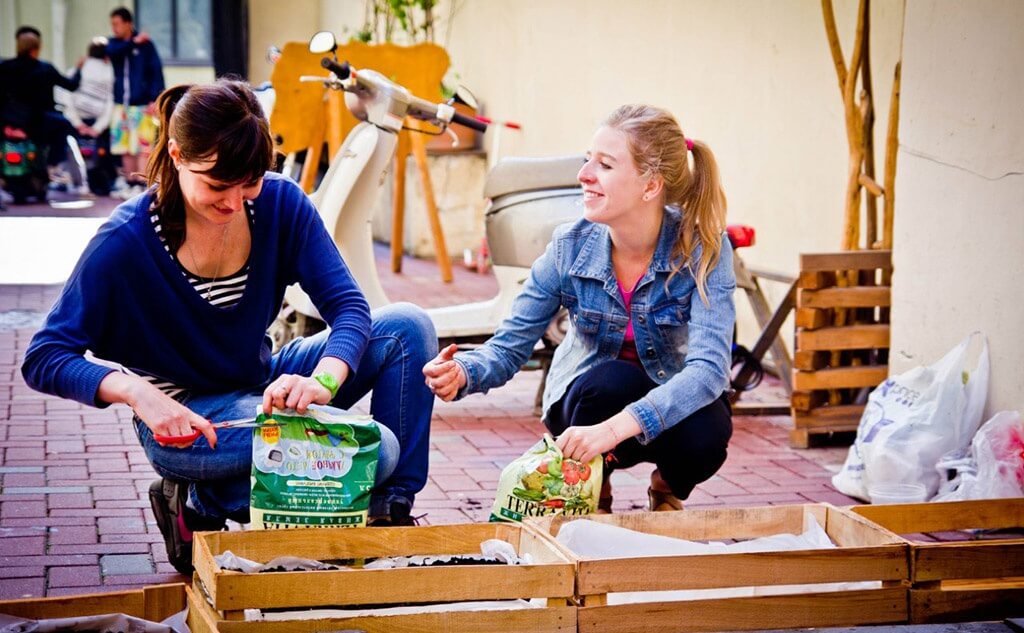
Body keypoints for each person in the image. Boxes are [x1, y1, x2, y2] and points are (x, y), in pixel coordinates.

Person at [22, 80, 436, 575]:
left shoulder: (280, 204)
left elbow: (349, 306)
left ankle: (388, 514)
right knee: (373, 450)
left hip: (258, 383)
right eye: (218, 185)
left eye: (250, 182)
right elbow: (45, 356)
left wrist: (323, 380)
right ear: (177, 155)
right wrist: (137, 393)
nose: (235, 202)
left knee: (407, 327)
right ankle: (198, 500)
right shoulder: (125, 242)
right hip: (189, 420)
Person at [423, 105, 735, 512]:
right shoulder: (569, 247)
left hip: (652, 405)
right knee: (609, 383)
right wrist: (464, 372)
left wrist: (614, 430)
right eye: (588, 159)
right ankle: (592, 485)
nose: (584, 174)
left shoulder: (704, 248)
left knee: (709, 431)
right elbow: (510, 346)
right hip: (590, 403)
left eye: (604, 164)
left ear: (650, 185)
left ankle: (666, 486)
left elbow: (708, 370)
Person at [0, 28, 81, 169]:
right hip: (36, 123)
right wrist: (79, 69)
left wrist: (5, 125)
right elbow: (71, 85)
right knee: (64, 125)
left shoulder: (4, 67)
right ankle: (53, 166)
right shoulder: (45, 68)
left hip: (8, 122)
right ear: (36, 49)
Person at [106, 6, 164, 198]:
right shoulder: (114, 44)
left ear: (128, 23)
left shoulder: (146, 46)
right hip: (121, 105)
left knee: (143, 147)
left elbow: (156, 71)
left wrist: (155, 98)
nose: (114, 28)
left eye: (117, 24)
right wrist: (132, 42)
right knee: (124, 147)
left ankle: (142, 184)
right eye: (112, 24)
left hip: (142, 105)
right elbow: (112, 52)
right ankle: (129, 183)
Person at [61, 38, 116, 195]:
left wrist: (77, 123)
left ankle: (78, 183)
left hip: (77, 121)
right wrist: (97, 128)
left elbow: (67, 98)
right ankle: (104, 185)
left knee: (72, 151)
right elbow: (110, 102)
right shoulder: (110, 72)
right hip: (99, 123)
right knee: (103, 156)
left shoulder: (77, 70)